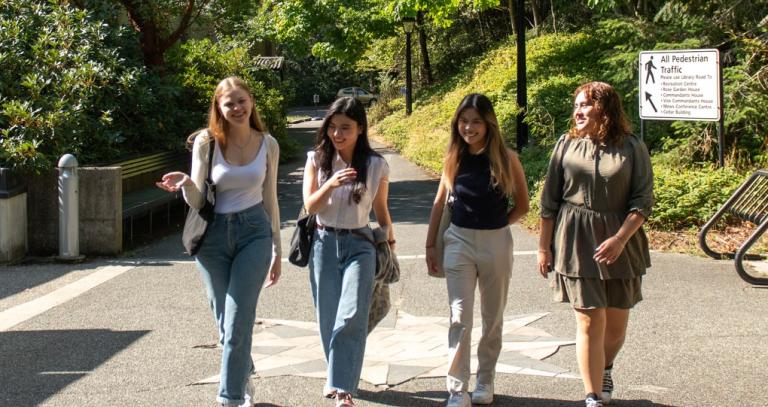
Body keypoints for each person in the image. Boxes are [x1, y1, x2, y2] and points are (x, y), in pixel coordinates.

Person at [156, 76, 281, 407]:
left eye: (242, 101)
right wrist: (185, 182)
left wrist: (277, 250)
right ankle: (243, 372)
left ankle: (230, 397)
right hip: (212, 238)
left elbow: (271, 200)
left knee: (239, 318)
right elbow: (198, 201)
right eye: (229, 103)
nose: (237, 108)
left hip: (254, 232)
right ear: (219, 108)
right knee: (226, 322)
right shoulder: (205, 142)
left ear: (251, 102)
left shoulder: (268, 144)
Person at [537, 81, 653, 407]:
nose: (578, 111)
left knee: (615, 328)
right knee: (589, 321)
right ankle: (592, 396)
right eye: (576, 106)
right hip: (576, 241)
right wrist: (544, 248)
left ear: (606, 108)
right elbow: (549, 202)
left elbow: (643, 202)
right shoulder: (565, 145)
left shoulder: (632, 148)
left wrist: (619, 239)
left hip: (622, 243)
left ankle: (605, 367)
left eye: (586, 105)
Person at [425, 93, 529, 407]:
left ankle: (486, 380)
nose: (468, 128)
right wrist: (431, 244)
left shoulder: (507, 158)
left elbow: (522, 206)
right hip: (458, 241)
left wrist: (497, 226)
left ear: (488, 124)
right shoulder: (453, 157)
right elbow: (439, 203)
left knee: (492, 316)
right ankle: (458, 388)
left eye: (476, 122)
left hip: (496, 242)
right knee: (460, 317)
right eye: (464, 121)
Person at [302, 96, 394, 407]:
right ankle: (337, 376)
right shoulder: (316, 160)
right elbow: (310, 206)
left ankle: (342, 388)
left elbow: (381, 211)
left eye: (345, 128)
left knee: (352, 312)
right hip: (323, 243)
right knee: (328, 316)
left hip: (361, 244)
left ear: (360, 129)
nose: (337, 134)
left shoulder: (377, 165)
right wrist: (330, 183)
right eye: (332, 127)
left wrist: (390, 246)